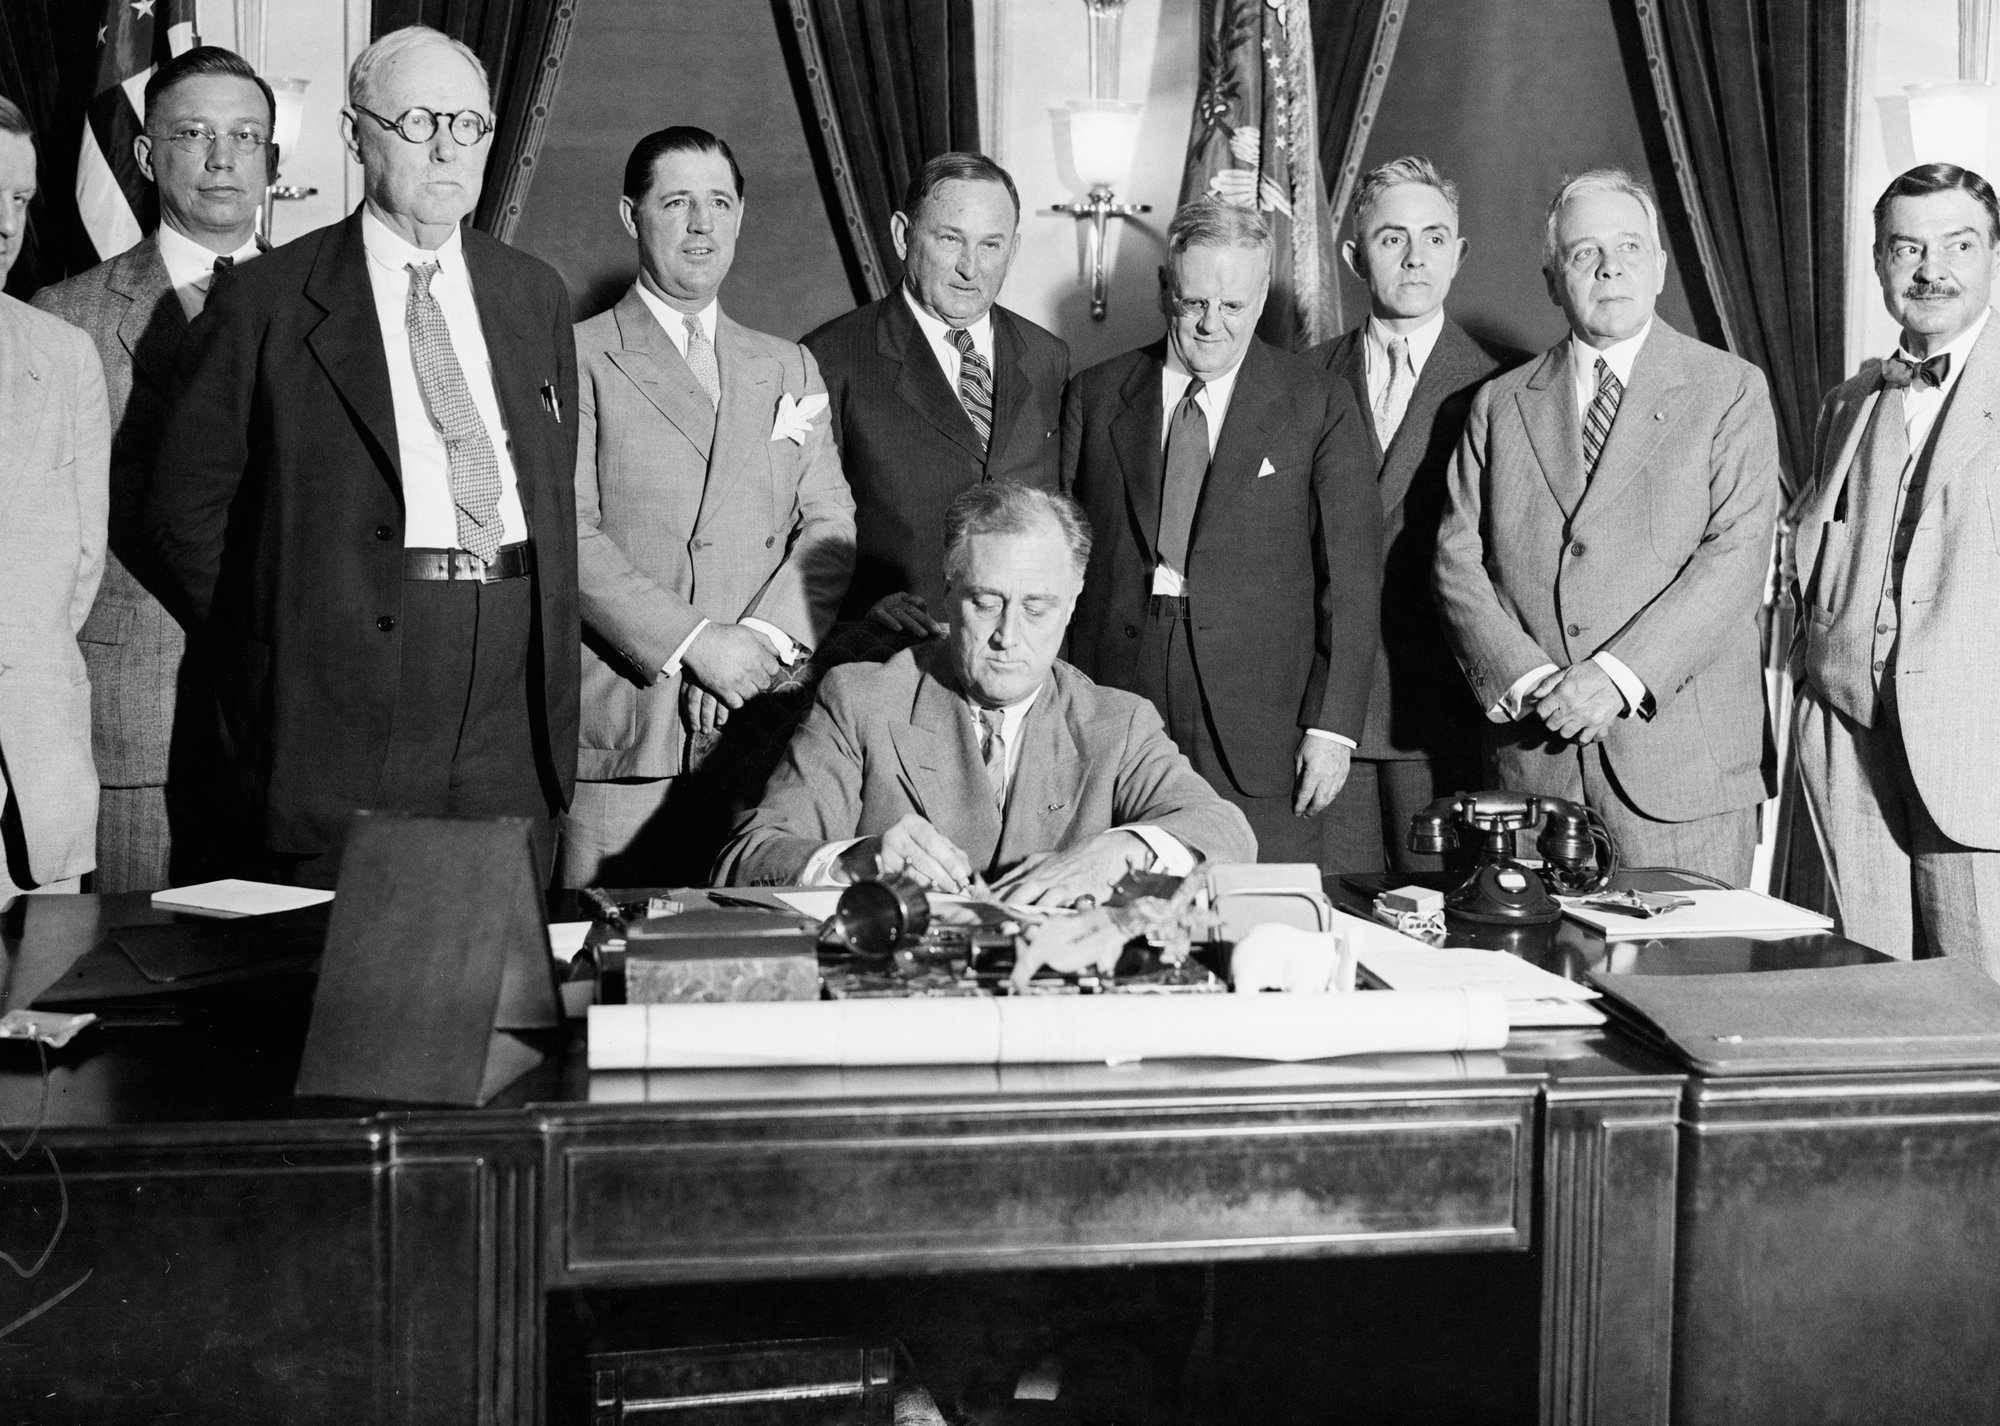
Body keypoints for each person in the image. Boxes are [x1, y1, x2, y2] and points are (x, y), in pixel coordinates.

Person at [148, 25, 580, 887]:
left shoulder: (532, 292)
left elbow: (553, 489)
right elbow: (179, 513)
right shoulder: (267, 302)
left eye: (471, 124)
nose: (450, 148)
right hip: (343, 701)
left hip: (509, 687)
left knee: (496, 980)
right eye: (419, 122)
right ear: (355, 135)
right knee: (344, 981)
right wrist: (286, 634)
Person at [1433, 169, 1778, 886]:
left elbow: (1736, 557)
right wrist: (1535, 685)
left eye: (1628, 247)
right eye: (1584, 253)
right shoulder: (1498, 405)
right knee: (1541, 986)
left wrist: (1615, 680)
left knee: (1686, 991)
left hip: (1681, 777)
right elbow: (1456, 561)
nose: (1610, 266)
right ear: (1553, 279)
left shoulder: (1730, 390)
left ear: (1657, 266)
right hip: (1535, 773)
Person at [713, 484, 1255, 900]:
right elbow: (747, 860)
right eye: (986, 603)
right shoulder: (861, 701)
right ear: (948, 592)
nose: (1008, 636)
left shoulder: (1119, 722)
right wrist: (859, 860)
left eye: (1037, 608)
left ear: (1072, 603)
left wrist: (1121, 850)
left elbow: (1228, 835)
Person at [563, 126, 854, 887]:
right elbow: (570, 535)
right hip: (633, 729)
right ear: (632, 216)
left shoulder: (787, 362)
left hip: (763, 725)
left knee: (762, 966)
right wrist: (697, 643)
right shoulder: (578, 356)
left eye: (719, 202)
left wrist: (757, 644)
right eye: (678, 202)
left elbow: (829, 526)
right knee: (610, 967)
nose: (702, 225)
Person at [1062, 197, 1381, 869]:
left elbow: (1351, 581)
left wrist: (1332, 726)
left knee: (1258, 917)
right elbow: (1061, 563)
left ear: (1262, 298)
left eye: (1233, 306)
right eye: (1194, 302)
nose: (1211, 325)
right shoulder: (1095, 394)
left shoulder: (1317, 401)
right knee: (1117, 898)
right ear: (1163, 291)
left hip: (1259, 711)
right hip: (1117, 688)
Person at [33, 45, 273, 891]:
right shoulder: (68, 319)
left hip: (288, 719)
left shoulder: (330, 304)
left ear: (270, 159)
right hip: (135, 717)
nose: (222, 159)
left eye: (246, 137)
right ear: (144, 155)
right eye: (194, 134)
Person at [1791, 163, 2000, 965]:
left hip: (1975, 751)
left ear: (1992, 258)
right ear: (1879, 262)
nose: (1930, 269)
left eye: (1957, 245)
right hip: (1851, 741)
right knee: (1866, 989)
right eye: (1906, 248)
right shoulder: (1847, 402)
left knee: (1980, 1005)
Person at [1309, 156, 1521, 874]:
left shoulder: (1510, 383)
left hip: (1444, 716)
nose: (1415, 257)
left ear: (1459, 255)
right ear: (1353, 256)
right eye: (1392, 238)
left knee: (1444, 931)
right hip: (1325, 715)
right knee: (1333, 938)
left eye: (1434, 238)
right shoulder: (1299, 381)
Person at [802, 153, 1068, 636]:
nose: (971, 267)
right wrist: (864, 607)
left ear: (1014, 248)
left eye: (991, 244)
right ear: (903, 235)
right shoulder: (829, 357)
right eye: (950, 239)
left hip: (1022, 654)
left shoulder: (1047, 357)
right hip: (894, 656)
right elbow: (796, 526)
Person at [0, 98, 112, 898]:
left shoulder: (62, 352)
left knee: (41, 1011)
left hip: (36, 780)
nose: (6, 224)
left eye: (19, 199)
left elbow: (80, 562)